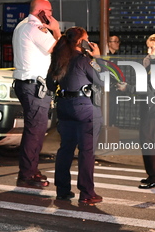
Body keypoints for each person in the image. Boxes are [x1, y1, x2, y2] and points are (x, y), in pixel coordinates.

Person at [46, 26, 104, 204]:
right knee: (87, 151)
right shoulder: (84, 60)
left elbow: (49, 83)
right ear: (81, 42)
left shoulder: (58, 58)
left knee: (66, 150)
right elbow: (103, 79)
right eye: (86, 39)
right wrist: (98, 58)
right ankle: (87, 193)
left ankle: (62, 190)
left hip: (64, 108)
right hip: (84, 109)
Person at [12, 0, 61, 188]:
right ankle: (27, 174)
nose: (50, 15)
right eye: (48, 11)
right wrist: (56, 29)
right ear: (40, 11)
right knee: (35, 131)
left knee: (37, 130)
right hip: (34, 87)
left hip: (31, 85)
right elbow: (57, 48)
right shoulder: (35, 28)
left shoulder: (23, 26)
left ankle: (30, 169)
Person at [117, 34, 155, 189]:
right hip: (151, 107)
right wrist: (146, 66)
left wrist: (128, 88)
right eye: (148, 47)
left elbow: (152, 87)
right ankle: (153, 176)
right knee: (147, 141)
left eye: (152, 47)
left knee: (151, 142)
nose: (149, 50)